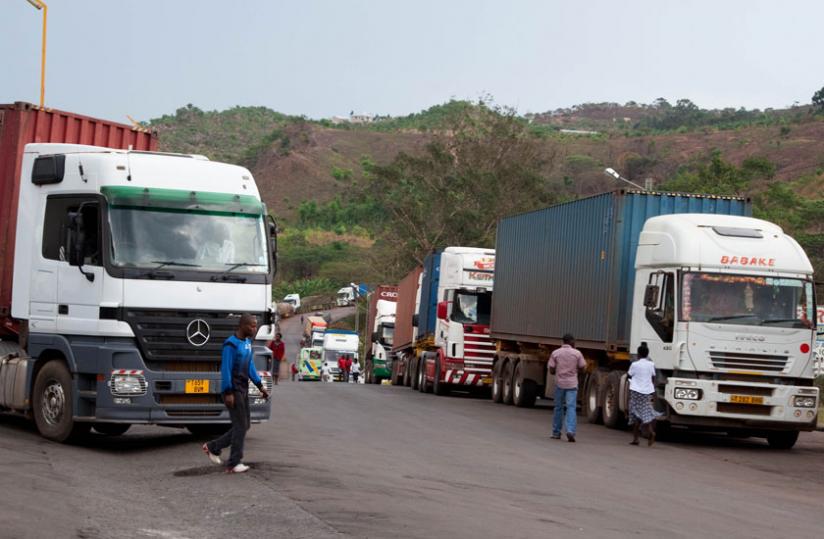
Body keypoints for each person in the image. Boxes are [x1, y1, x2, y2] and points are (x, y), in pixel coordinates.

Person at [202, 313, 269, 474]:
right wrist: (228, 392)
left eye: (255, 326)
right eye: (252, 326)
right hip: (233, 390)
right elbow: (225, 369)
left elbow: (250, 366)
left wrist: (260, 385)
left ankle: (213, 447)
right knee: (240, 426)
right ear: (242, 326)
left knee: (245, 425)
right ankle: (234, 463)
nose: (254, 329)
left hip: (244, 389)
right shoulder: (230, 345)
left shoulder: (246, 343)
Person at [548, 333, 586, 442]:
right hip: (572, 384)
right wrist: (576, 371)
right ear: (571, 341)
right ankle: (570, 430)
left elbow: (551, 369)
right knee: (571, 407)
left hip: (559, 384)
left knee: (558, 408)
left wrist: (558, 371)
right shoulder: (577, 353)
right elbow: (583, 367)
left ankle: (556, 432)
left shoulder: (555, 353)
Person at [628, 342, 662, 447]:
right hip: (647, 392)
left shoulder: (635, 364)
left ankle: (635, 439)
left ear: (638, 354)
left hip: (636, 391)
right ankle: (651, 432)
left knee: (635, 413)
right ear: (647, 354)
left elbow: (629, 375)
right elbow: (652, 377)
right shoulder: (651, 364)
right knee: (646, 412)